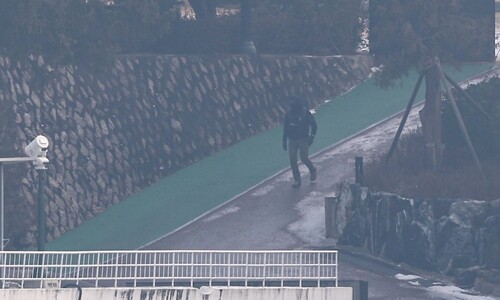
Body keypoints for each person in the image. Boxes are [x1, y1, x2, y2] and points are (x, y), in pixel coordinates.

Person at [282, 96, 317, 187]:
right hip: (292, 140)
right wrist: (284, 140)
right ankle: (297, 180)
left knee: (304, 158)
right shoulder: (289, 114)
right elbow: (285, 127)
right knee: (292, 160)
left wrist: (312, 136)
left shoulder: (305, 113)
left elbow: (314, 125)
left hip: (303, 139)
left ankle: (312, 169)